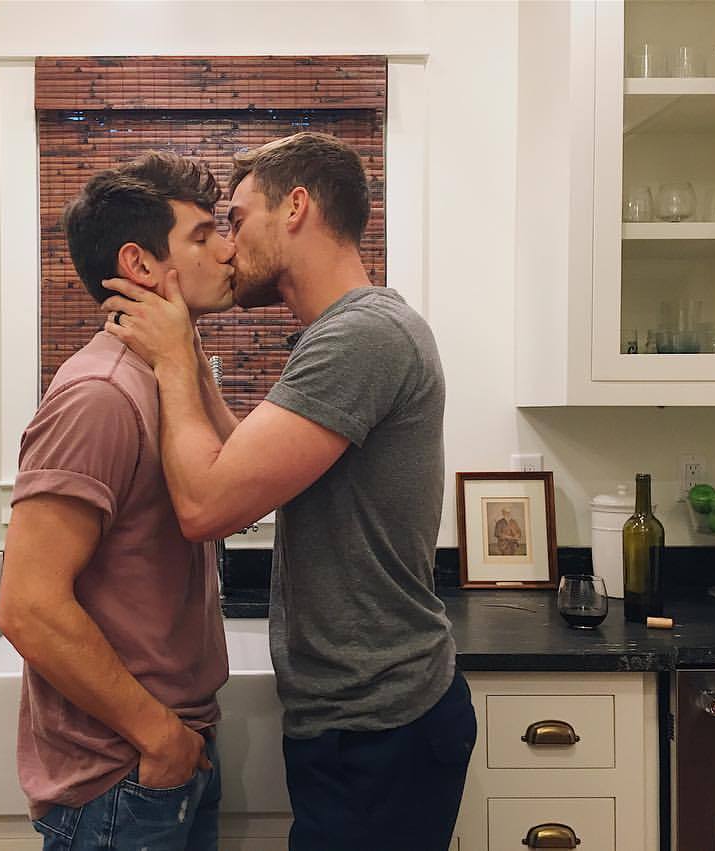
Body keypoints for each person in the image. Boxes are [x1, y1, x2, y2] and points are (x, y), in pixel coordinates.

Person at [101, 132, 476, 851]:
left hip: (378, 729)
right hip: (367, 722)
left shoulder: (360, 337)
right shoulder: (354, 330)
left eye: (236, 220)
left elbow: (209, 505)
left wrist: (177, 359)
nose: (227, 245)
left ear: (296, 206)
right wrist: (197, 369)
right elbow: (259, 465)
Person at [0, 151, 237, 851]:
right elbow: (28, 605)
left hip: (161, 762)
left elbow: (234, 484)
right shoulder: (99, 394)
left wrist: (186, 357)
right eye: (200, 236)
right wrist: (158, 737)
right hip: (122, 779)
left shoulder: (163, 379)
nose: (225, 249)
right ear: (139, 264)